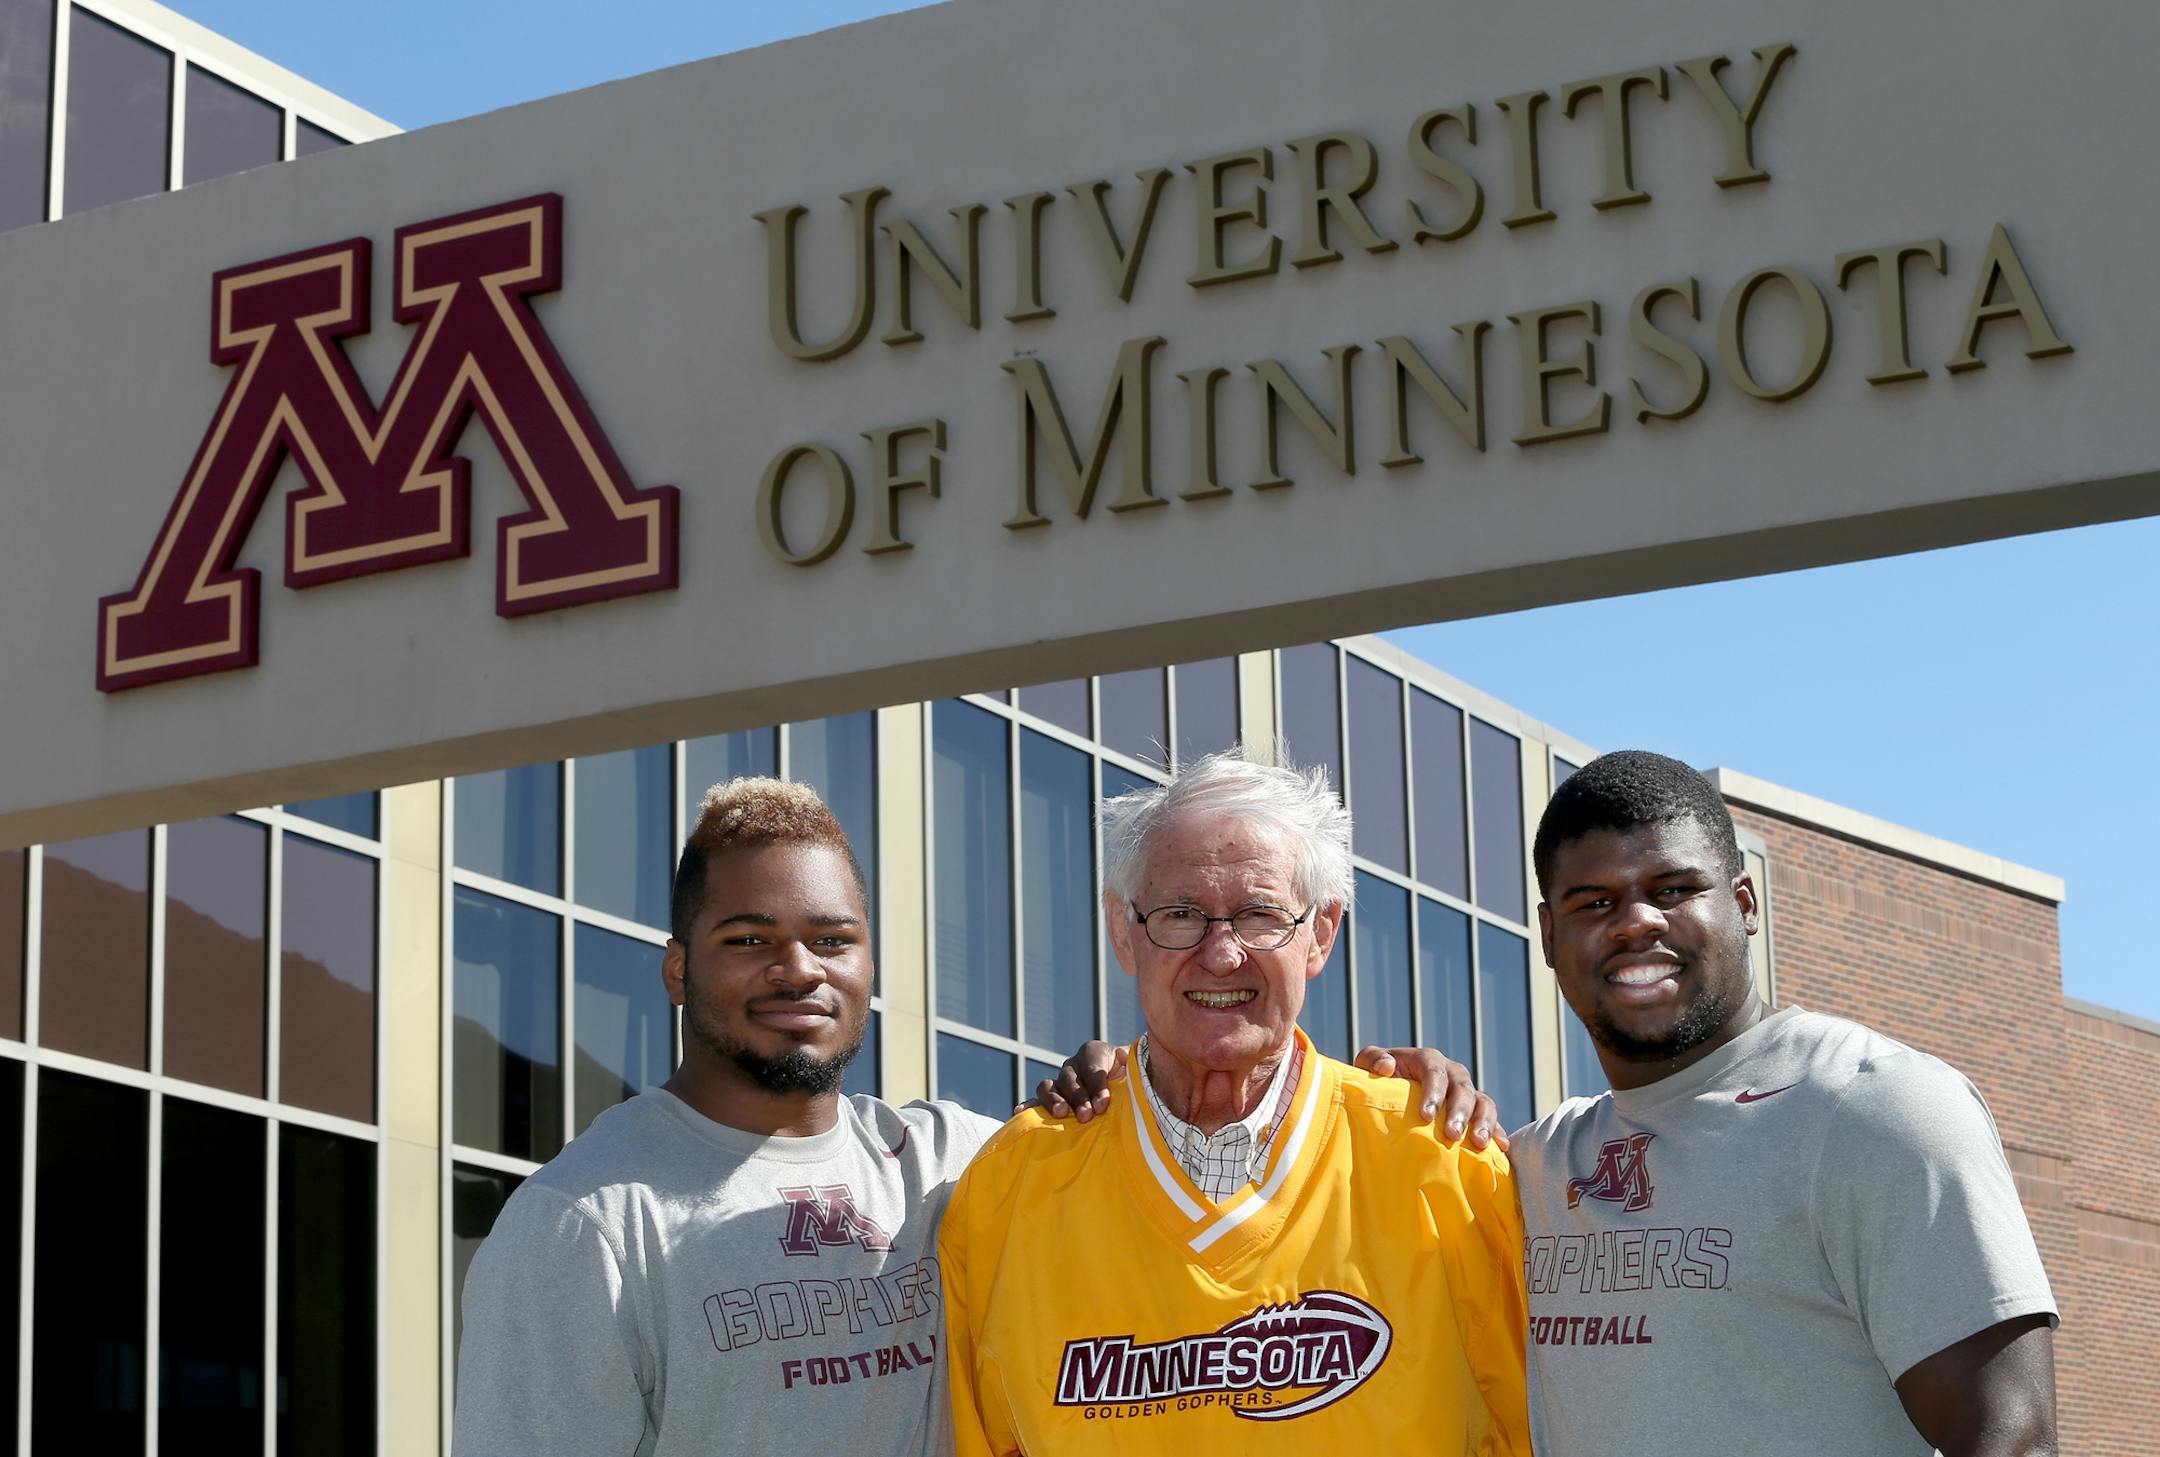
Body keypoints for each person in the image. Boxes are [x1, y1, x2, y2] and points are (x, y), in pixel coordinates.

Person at [453, 775, 1490, 1456]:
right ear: (677, 969)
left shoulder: (952, 1161)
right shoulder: (582, 1222)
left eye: (831, 936)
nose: (798, 969)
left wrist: (1405, 1091)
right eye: (748, 938)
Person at [939, 749, 1532, 1453]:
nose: (1221, 954)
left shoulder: (1444, 1165)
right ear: (1122, 931)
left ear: (1322, 931)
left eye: (1258, 915)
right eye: (1181, 914)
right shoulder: (1010, 1189)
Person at [1513, 750, 2058, 1457]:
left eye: (1674, 888)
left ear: (1743, 905)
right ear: (1550, 935)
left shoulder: (1874, 1104)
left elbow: (2009, 1435)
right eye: (1595, 901)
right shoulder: (1537, 1163)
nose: (1636, 920)